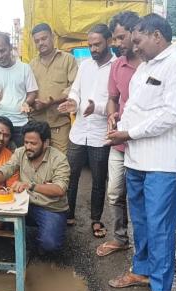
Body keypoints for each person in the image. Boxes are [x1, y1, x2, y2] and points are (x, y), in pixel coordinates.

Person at [106, 14, 176, 291]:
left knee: (160, 226)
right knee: (142, 221)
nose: (135, 47)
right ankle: (141, 269)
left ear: (156, 35)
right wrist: (119, 118)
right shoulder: (145, 66)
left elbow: (172, 113)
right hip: (137, 158)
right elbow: (137, 106)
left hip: (164, 162)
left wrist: (128, 132)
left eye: (138, 41)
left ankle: (161, 289)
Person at [58, 24, 115, 233]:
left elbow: (115, 101)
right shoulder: (85, 66)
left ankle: (96, 219)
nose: (93, 49)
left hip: (101, 134)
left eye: (97, 44)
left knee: (99, 179)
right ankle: (68, 213)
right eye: (90, 45)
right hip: (79, 131)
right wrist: (73, 102)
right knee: (70, 174)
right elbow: (75, 91)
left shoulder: (117, 67)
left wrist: (97, 108)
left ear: (109, 41)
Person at [96, 11, 142, 257]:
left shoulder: (149, 64)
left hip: (143, 141)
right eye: (114, 38)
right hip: (118, 142)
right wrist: (112, 116)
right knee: (115, 192)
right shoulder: (117, 65)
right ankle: (120, 238)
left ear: (136, 33)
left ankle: (143, 247)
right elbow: (114, 99)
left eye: (120, 37)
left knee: (139, 198)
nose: (116, 43)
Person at [0, 121, 70, 253]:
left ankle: (35, 239)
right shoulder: (20, 152)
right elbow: (7, 169)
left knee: (50, 245)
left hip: (51, 208)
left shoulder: (59, 159)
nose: (28, 147)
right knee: (1, 218)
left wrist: (30, 185)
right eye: (26, 142)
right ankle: (26, 239)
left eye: (33, 143)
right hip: (25, 204)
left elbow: (59, 190)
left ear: (46, 143)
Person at [0, 32, 38, 148]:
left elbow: (32, 92)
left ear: (10, 47)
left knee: (21, 160)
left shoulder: (24, 68)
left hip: (20, 124)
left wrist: (27, 102)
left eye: (3, 50)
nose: (0, 55)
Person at [29, 23, 78, 154]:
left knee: (60, 161)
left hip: (59, 124)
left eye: (44, 38)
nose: (40, 43)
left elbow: (74, 87)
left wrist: (52, 101)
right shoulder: (31, 65)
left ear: (52, 37)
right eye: (37, 41)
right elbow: (27, 90)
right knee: (37, 161)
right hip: (36, 124)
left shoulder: (68, 60)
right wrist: (32, 102)